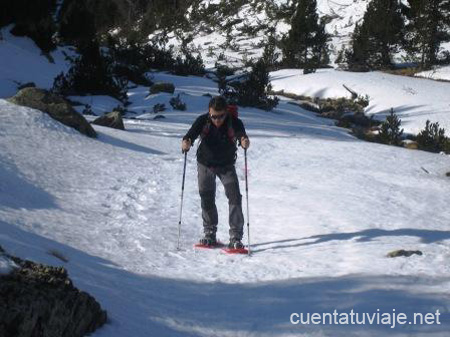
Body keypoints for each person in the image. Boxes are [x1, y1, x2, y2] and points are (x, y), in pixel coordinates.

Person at [182, 96, 250, 249]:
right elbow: (191, 134)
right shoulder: (203, 120)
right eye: (213, 116)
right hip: (205, 164)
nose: (217, 120)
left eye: (220, 116)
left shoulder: (234, 122)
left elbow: (241, 135)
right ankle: (209, 233)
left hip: (226, 165)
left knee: (234, 197)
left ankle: (235, 237)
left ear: (226, 112)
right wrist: (186, 141)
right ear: (209, 112)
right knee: (206, 197)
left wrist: (244, 141)